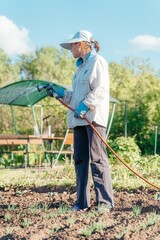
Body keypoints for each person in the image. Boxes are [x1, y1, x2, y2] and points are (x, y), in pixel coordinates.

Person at [46, 30, 114, 212]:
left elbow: (100, 89)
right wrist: (60, 93)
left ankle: (105, 203)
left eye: (72, 45)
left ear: (82, 44)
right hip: (79, 121)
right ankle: (81, 203)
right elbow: (75, 97)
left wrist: (85, 105)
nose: (70, 49)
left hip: (93, 119)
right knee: (80, 161)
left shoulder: (98, 62)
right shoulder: (79, 69)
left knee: (98, 160)